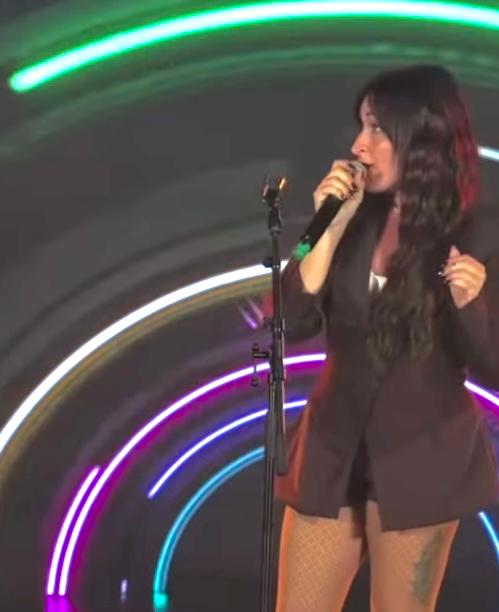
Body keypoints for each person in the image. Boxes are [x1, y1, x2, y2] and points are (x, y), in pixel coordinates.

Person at [273, 65, 499, 612]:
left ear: (420, 138)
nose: (359, 144)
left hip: (420, 466)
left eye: (376, 128)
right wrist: (326, 228)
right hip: (331, 458)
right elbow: (287, 318)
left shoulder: (481, 232)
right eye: (361, 126)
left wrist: (469, 304)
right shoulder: (345, 215)